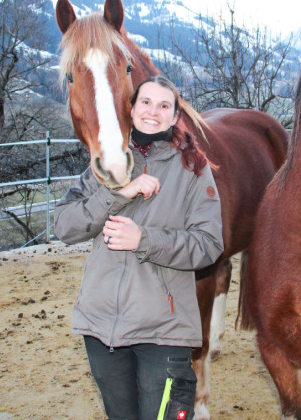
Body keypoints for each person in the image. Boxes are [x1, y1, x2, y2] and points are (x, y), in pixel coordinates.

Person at [53, 75, 224, 420]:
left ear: (176, 117)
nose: (152, 111)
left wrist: (143, 240)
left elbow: (209, 245)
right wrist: (117, 195)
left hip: (163, 332)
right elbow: (64, 226)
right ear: (130, 109)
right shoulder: (106, 165)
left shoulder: (194, 170)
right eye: (145, 102)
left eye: (164, 106)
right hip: (101, 329)